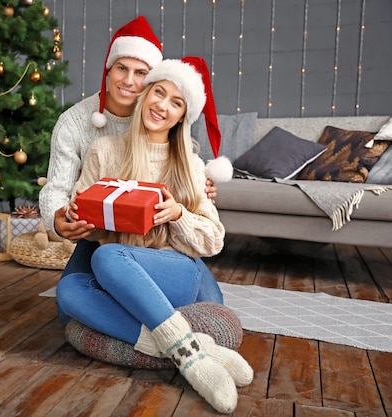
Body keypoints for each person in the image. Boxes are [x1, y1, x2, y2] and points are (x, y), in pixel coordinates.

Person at [55, 59, 250, 414]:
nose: (162, 105)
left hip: (175, 272)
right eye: (158, 92)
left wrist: (179, 215)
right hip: (122, 279)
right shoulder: (105, 151)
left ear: (182, 117)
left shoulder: (190, 164)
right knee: (68, 291)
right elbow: (85, 217)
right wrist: (78, 215)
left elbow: (214, 239)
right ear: (145, 95)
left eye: (176, 102)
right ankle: (193, 350)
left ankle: (185, 354)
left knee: (106, 256)